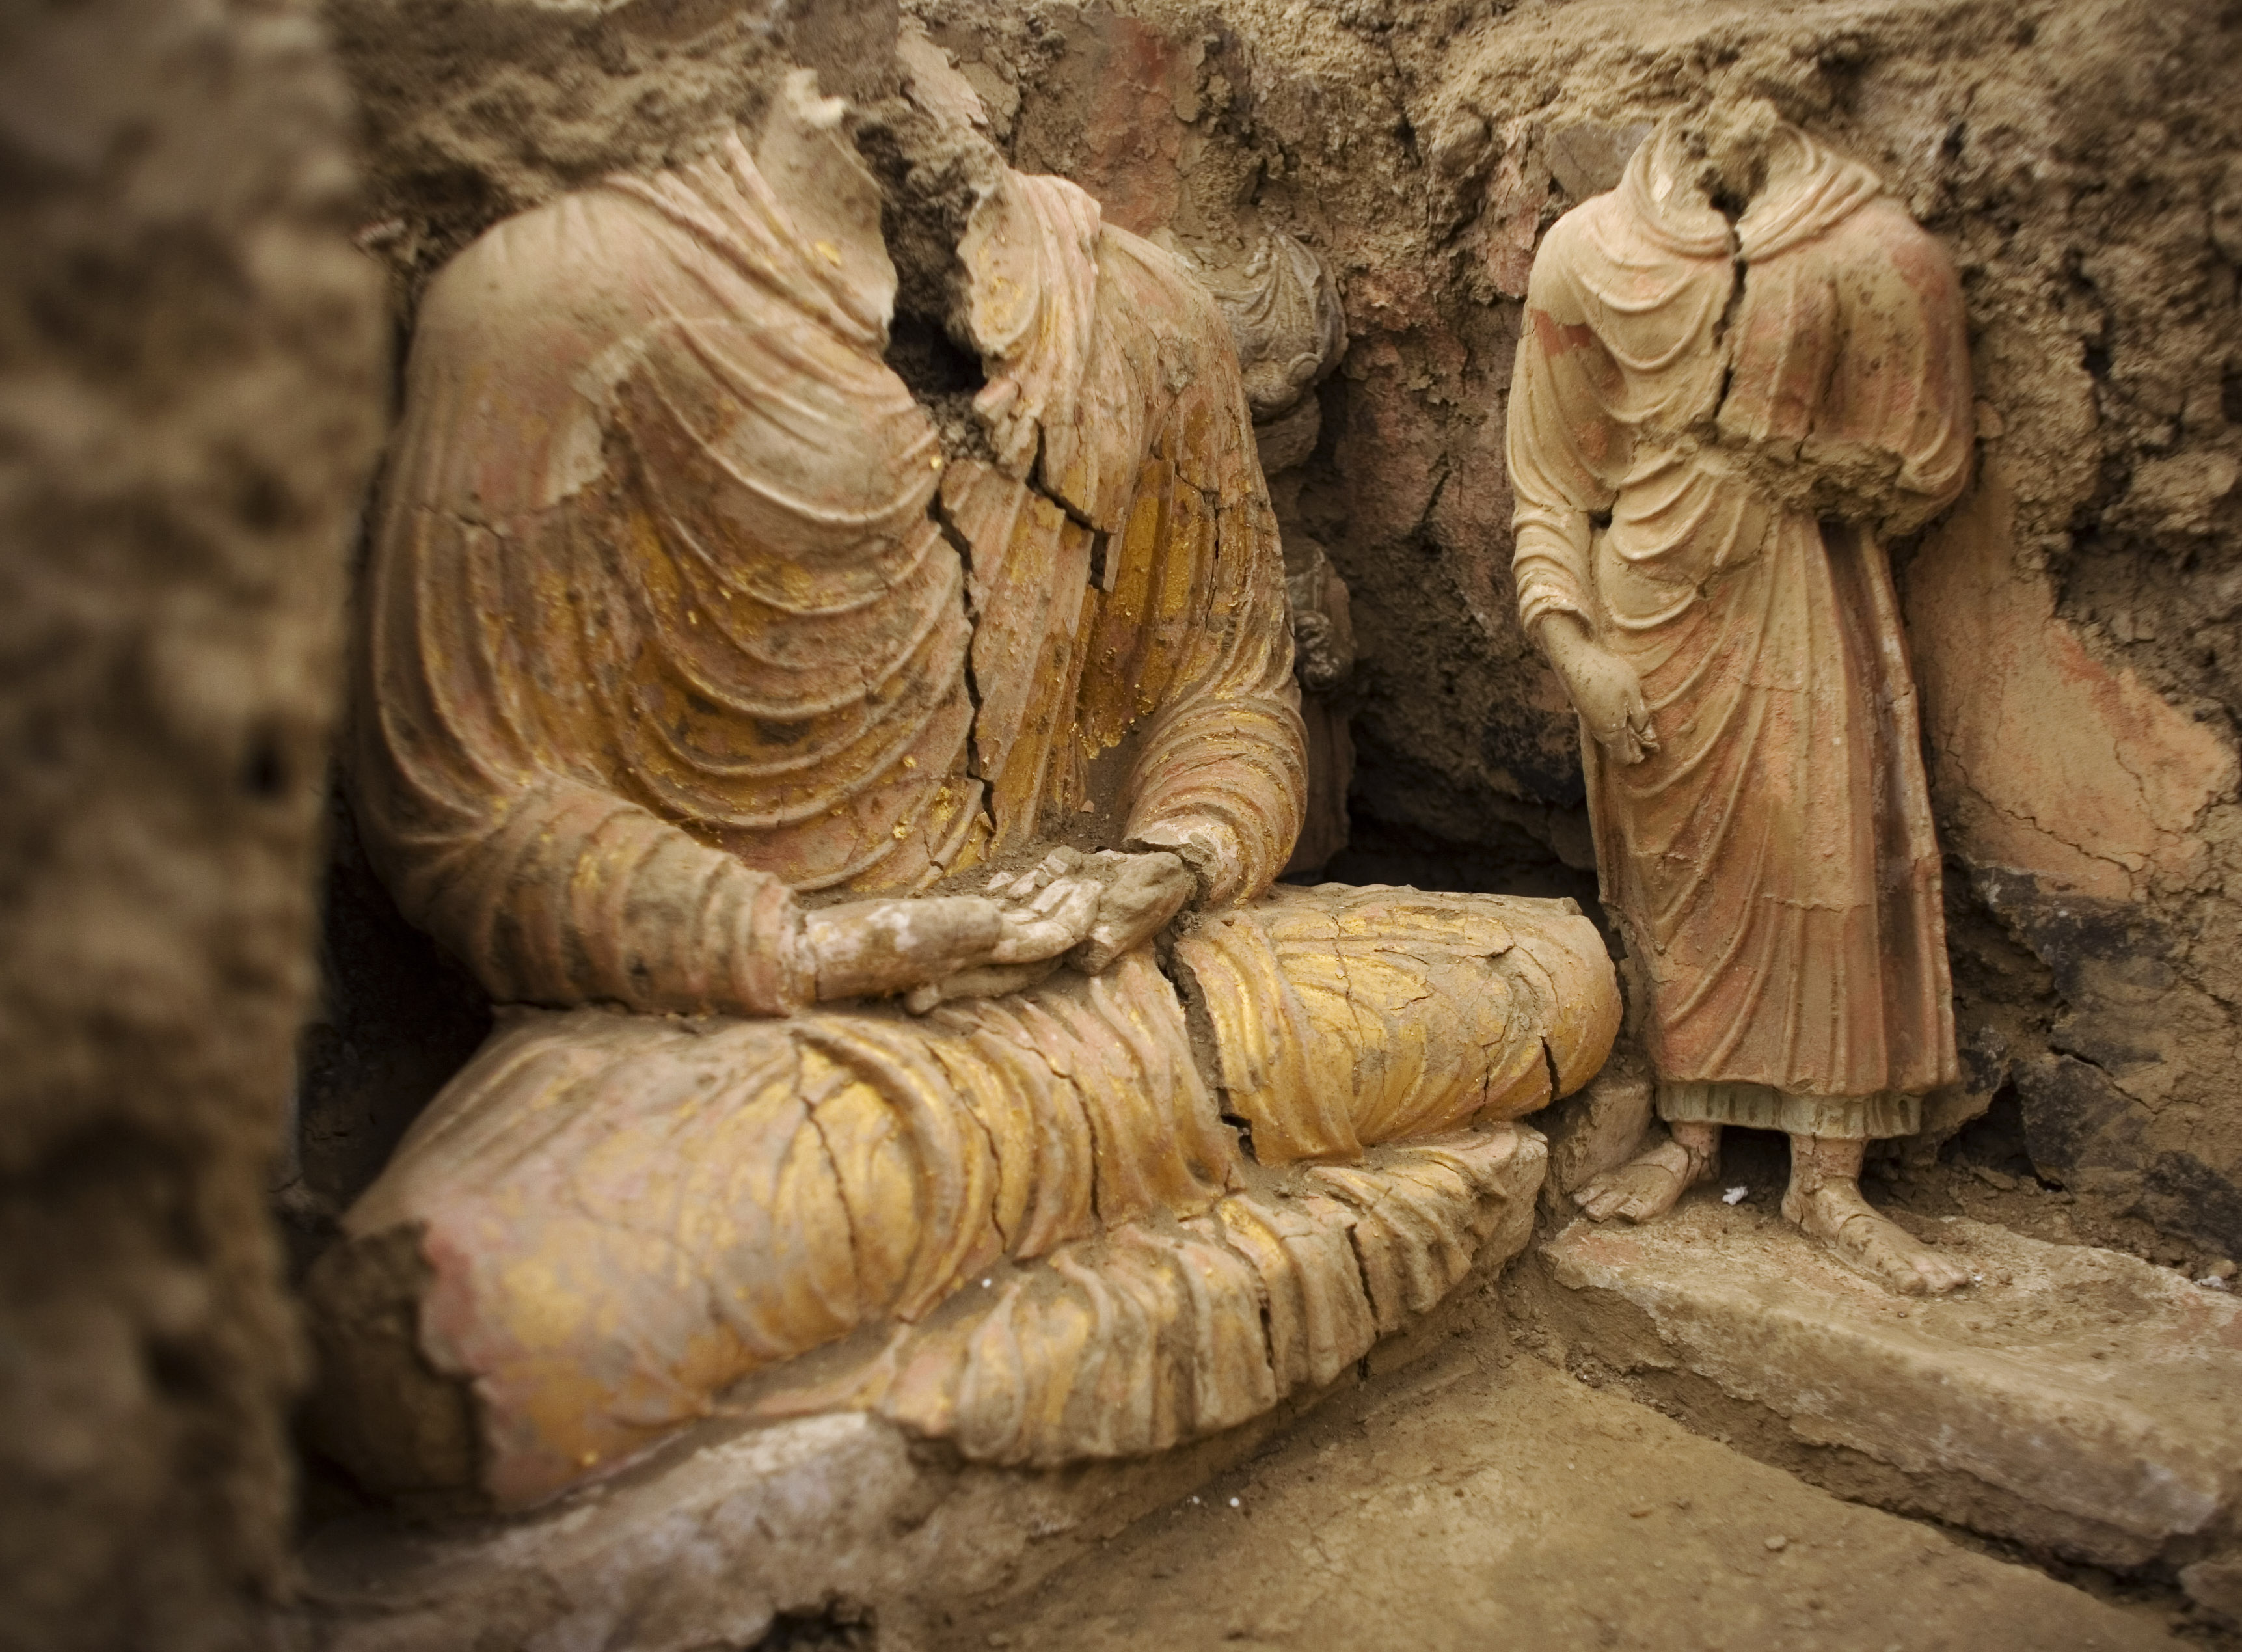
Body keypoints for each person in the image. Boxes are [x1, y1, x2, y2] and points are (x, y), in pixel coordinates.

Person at [305, 68, 1619, 1510]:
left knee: (1555, 976)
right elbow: (470, 804)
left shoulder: (1136, 305)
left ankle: (1033, 1229)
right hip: (773, 1050)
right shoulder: (556, 299)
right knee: (468, 1344)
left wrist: (1170, 865)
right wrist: (811, 946)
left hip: (1124, 986)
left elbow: (1221, 691)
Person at [1507, 103, 1975, 1295]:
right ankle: (1691, 1137)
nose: (1728, 111)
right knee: (1673, 888)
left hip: (1795, 587)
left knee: (1828, 865)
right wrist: (1571, 647)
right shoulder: (1585, 251)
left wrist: (1798, 447)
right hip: (1645, 611)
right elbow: (1547, 475)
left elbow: (1925, 459)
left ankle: (1828, 1181)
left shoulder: (1855, 243)